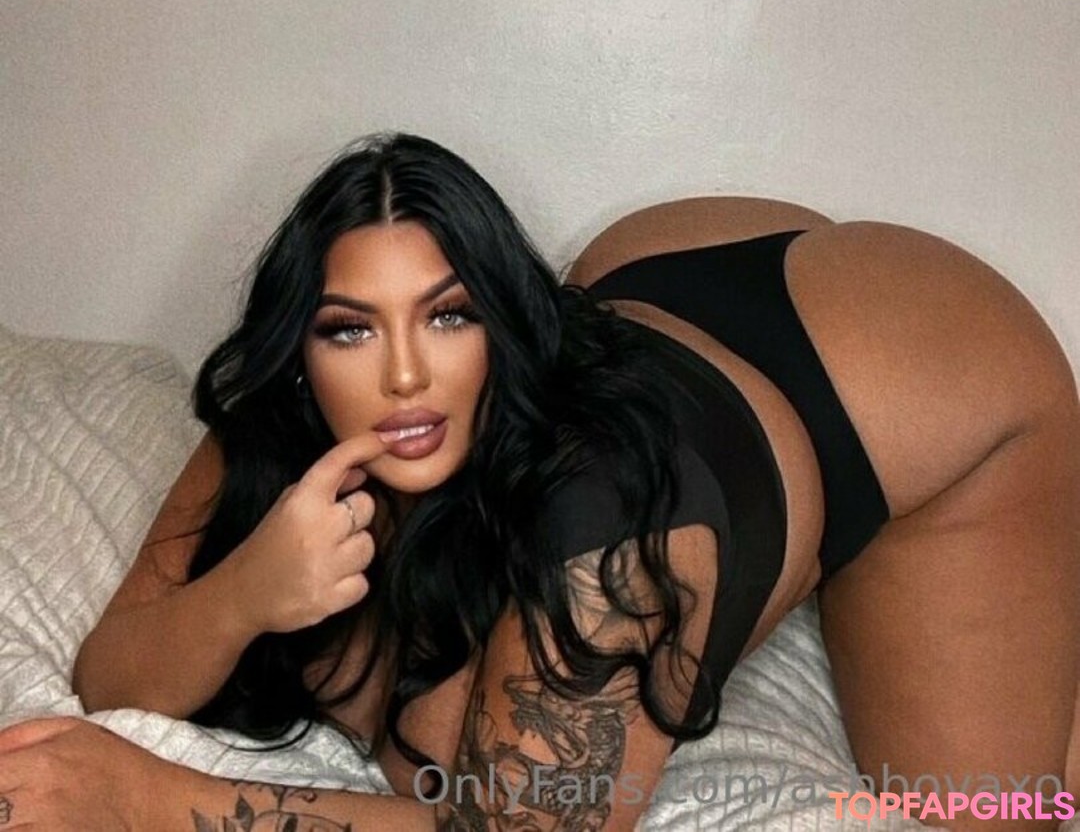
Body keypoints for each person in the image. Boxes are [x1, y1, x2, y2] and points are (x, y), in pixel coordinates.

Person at [0, 131, 1076, 831]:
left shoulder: (610, 539)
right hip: (655, 264)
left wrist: (151, 802)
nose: (403, 376)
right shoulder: (296, 423)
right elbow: (113, 673)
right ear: (303, 345)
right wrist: (245, 594)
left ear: (504, 322)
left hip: (917, 362)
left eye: (450, 313)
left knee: (990, 813)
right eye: (350, 328)